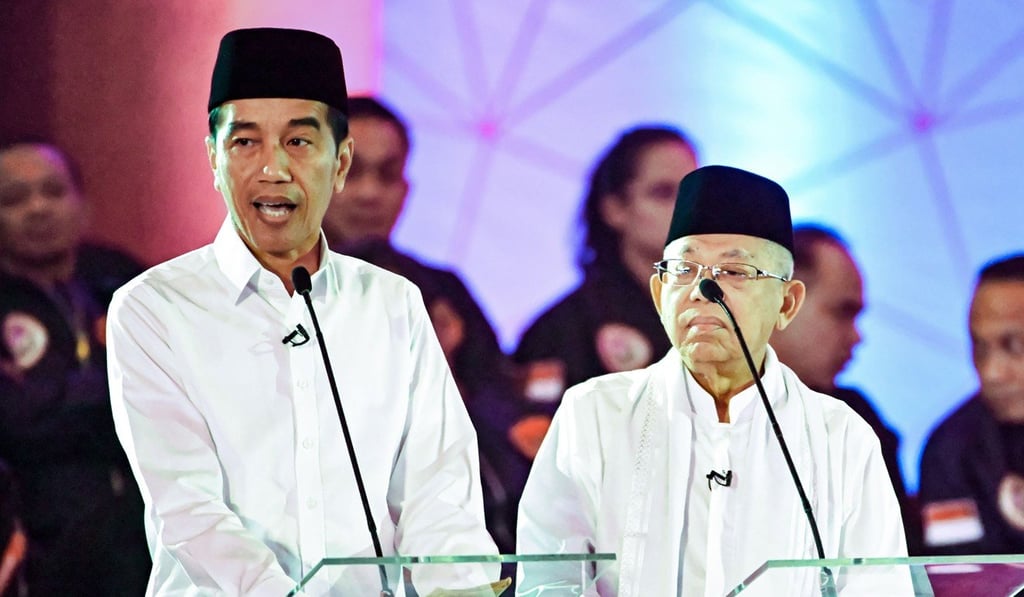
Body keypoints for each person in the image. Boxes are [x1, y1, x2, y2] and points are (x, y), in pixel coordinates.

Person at [106, 28, 498, 595]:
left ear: (339, 163)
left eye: (298, 142)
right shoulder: (154, 310)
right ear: (212, 158)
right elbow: (189, 510)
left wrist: (459, 588)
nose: (273, 169)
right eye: (244, 143)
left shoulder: (394, 303)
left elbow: (438, 492)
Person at [517, 165, 909, 595]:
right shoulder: (593, 415)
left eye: (735, 273)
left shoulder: (842, 437)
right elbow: (548, 582)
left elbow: (879, 587)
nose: (702, 291)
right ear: (658, 294)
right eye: (683, 271)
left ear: (787, 302)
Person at [321, 96, 535, 555]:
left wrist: (445, 370)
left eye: (387, 173)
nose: (369, 193)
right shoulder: (276, 290)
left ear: (407, 187)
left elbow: (500, 409)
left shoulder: (441, 291)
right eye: (352, 173)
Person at [0, 138, 150, 595]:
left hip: (141, 531)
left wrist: (62, 398)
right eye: (14, 199)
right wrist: (117, 391)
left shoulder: (122, 281)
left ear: (82, 205)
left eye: (53, 192)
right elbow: (18, 422)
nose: (38, 209)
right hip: (39, 542)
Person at [514, 126, 698, 409]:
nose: (688, 207)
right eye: (663, 193)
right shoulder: (563, 329)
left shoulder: (728, 307)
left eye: (695, 191)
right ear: (615, 209)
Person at [770, 224, 919, 552]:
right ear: (780, 305)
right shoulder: (687, 416)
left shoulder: (856, 417)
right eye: (843, 312)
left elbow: (900, 559)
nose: (857, 337)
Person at [918, 253, 1024, 555]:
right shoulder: (951, 450)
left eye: (1014, 345)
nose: (991, 372)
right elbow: (960, 577)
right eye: (980, 348)